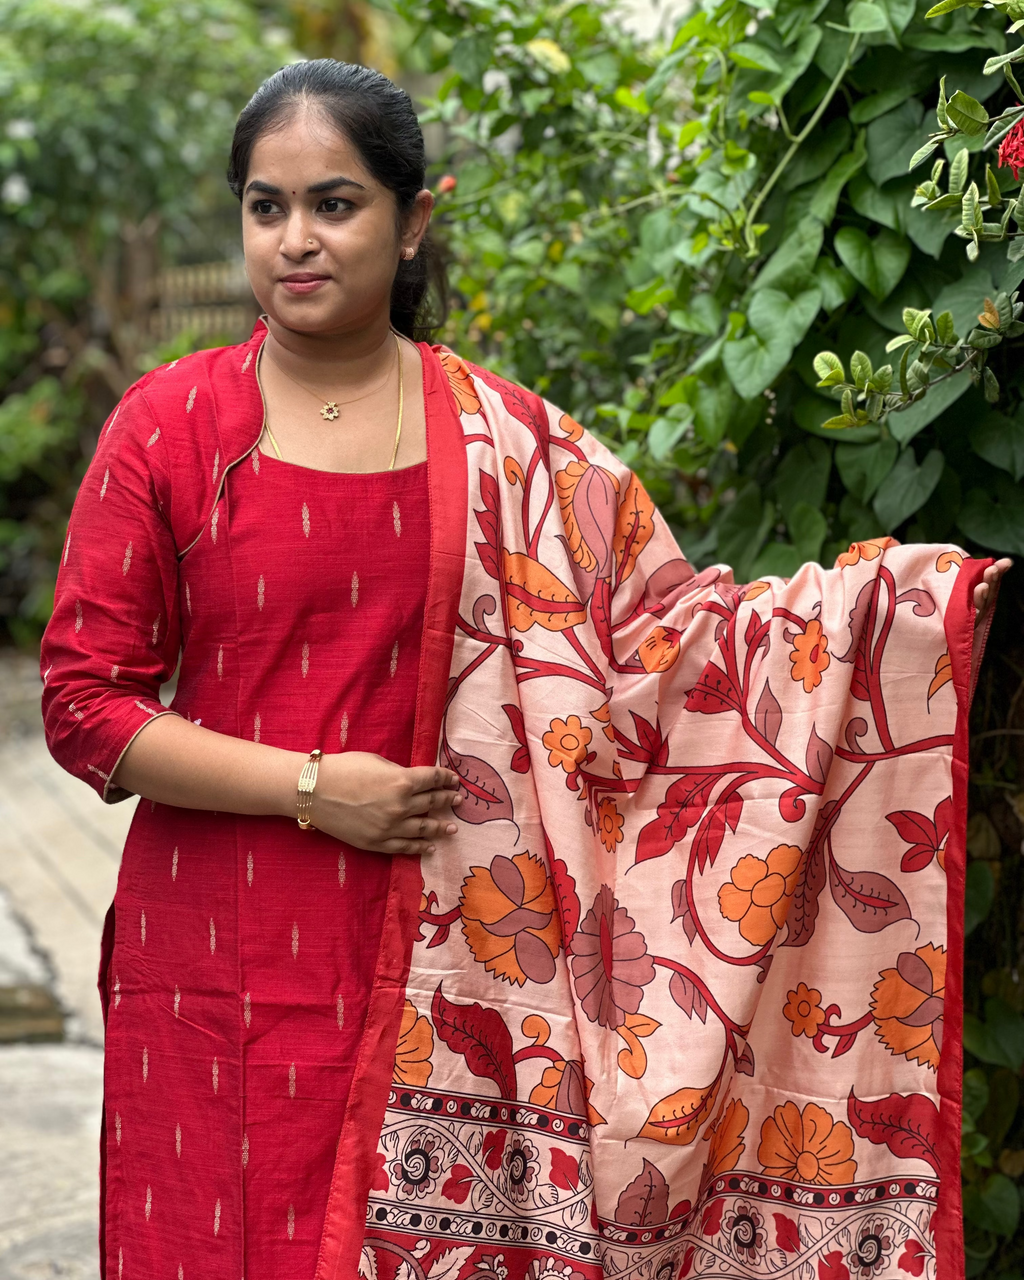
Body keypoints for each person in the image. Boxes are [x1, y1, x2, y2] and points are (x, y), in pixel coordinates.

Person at [40, 58, 1009, 1280]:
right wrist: (312, 784)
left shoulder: (516, 442)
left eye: (334, 203)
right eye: (265, 205)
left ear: (413, 221)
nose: (295, 239)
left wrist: (899, 613)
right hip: (217, 952)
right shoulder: (170, 427)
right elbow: (84, 704)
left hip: (459, 982)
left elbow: (671, 646)